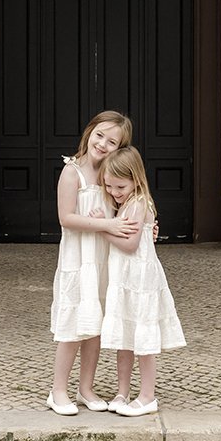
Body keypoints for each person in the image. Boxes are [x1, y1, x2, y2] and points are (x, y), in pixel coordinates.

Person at [47, 110, 140, 416]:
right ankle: (58, 390)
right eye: (99, 135)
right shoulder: (72, 172)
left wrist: (147, 225)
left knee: (96, 325)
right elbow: (66, 218)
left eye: (112, 141)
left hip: (104, 259)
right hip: (79, 258)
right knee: (74, 323)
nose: (102, 144)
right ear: (89, 133)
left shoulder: (111, 177)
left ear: (120, 148)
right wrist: (106, 226)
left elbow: (131, 206)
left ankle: (85, 387)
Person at [97, 146, 185, 417]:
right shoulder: (126, 202)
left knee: (144, 342)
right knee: (125, 338)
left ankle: (147, 396)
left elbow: (131, 244)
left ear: (135, 178)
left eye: (119, 186)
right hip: (125, 281)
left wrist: (103, 227)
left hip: (141, 282)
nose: (114, 191)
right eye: (109, 186)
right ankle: (122, 391)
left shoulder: (138, 203)